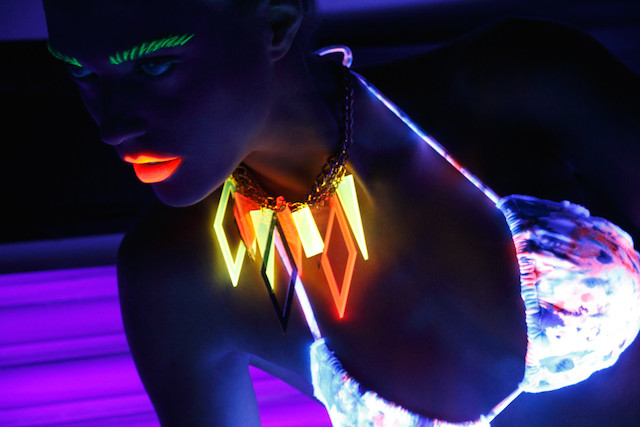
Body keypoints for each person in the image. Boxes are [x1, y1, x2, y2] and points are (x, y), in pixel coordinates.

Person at [43, 0, 640, 425]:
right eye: (81, 74)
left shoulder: (519, 79)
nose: (113, 124)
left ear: (276, 21)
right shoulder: (172, 275)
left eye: (153, 65)